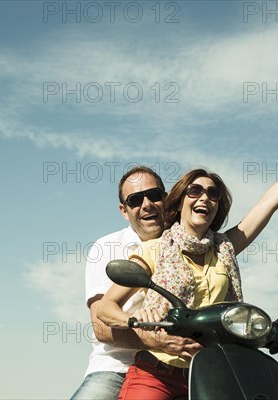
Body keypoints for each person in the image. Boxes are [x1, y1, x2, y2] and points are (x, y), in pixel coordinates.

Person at [96, 114, 278, 400]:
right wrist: (136, 321)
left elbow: (268, 203)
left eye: (213, 194)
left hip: (211, 375)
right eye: (196, 190)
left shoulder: (225, 248)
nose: (204, 197)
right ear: (180, 201)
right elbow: (105, 308)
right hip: (156, 375)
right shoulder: (155, 249)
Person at [70, 166, 201, 400]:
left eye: (154, 195)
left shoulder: (189, 241)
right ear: (124, 210)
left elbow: (240, 234)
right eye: (136, 199)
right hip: (116, 367)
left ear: (166, 198)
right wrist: (160, 341)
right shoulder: (106, 248)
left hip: (179, 370)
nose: (147, 204)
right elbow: (101, 327)